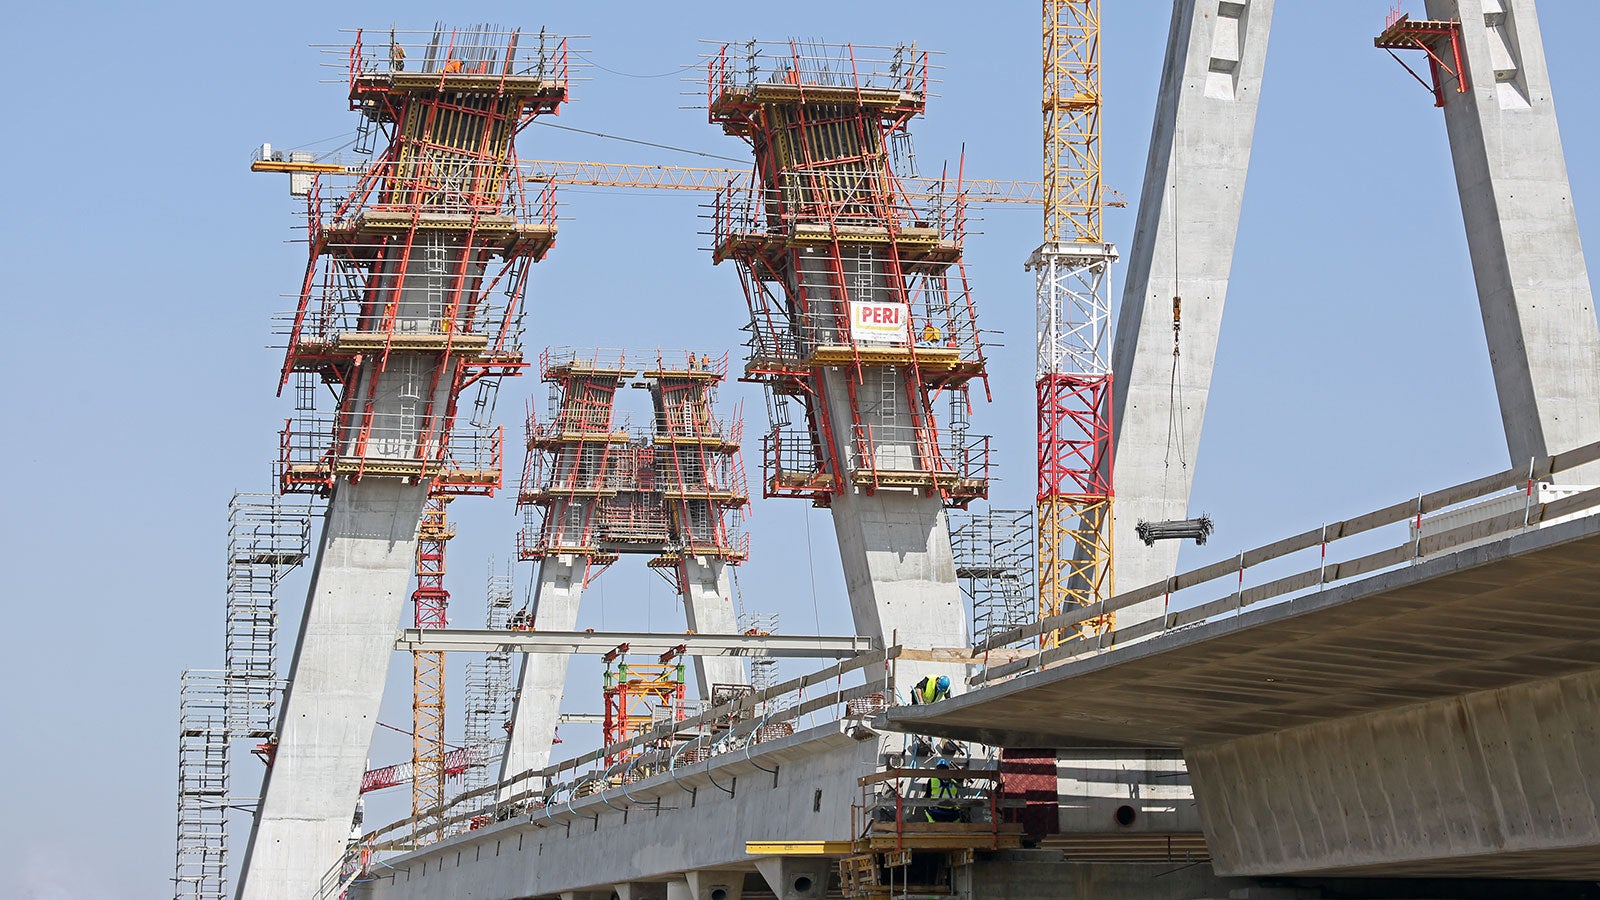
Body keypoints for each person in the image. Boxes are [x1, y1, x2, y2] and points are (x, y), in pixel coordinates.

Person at [924, 759, 963, 823]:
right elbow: (956, 799)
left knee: (926, 810)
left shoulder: (932, 780)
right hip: (951, 815)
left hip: (936, 814)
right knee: (958, 816)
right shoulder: (954, 783)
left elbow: (927, 796)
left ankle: (932, 824)